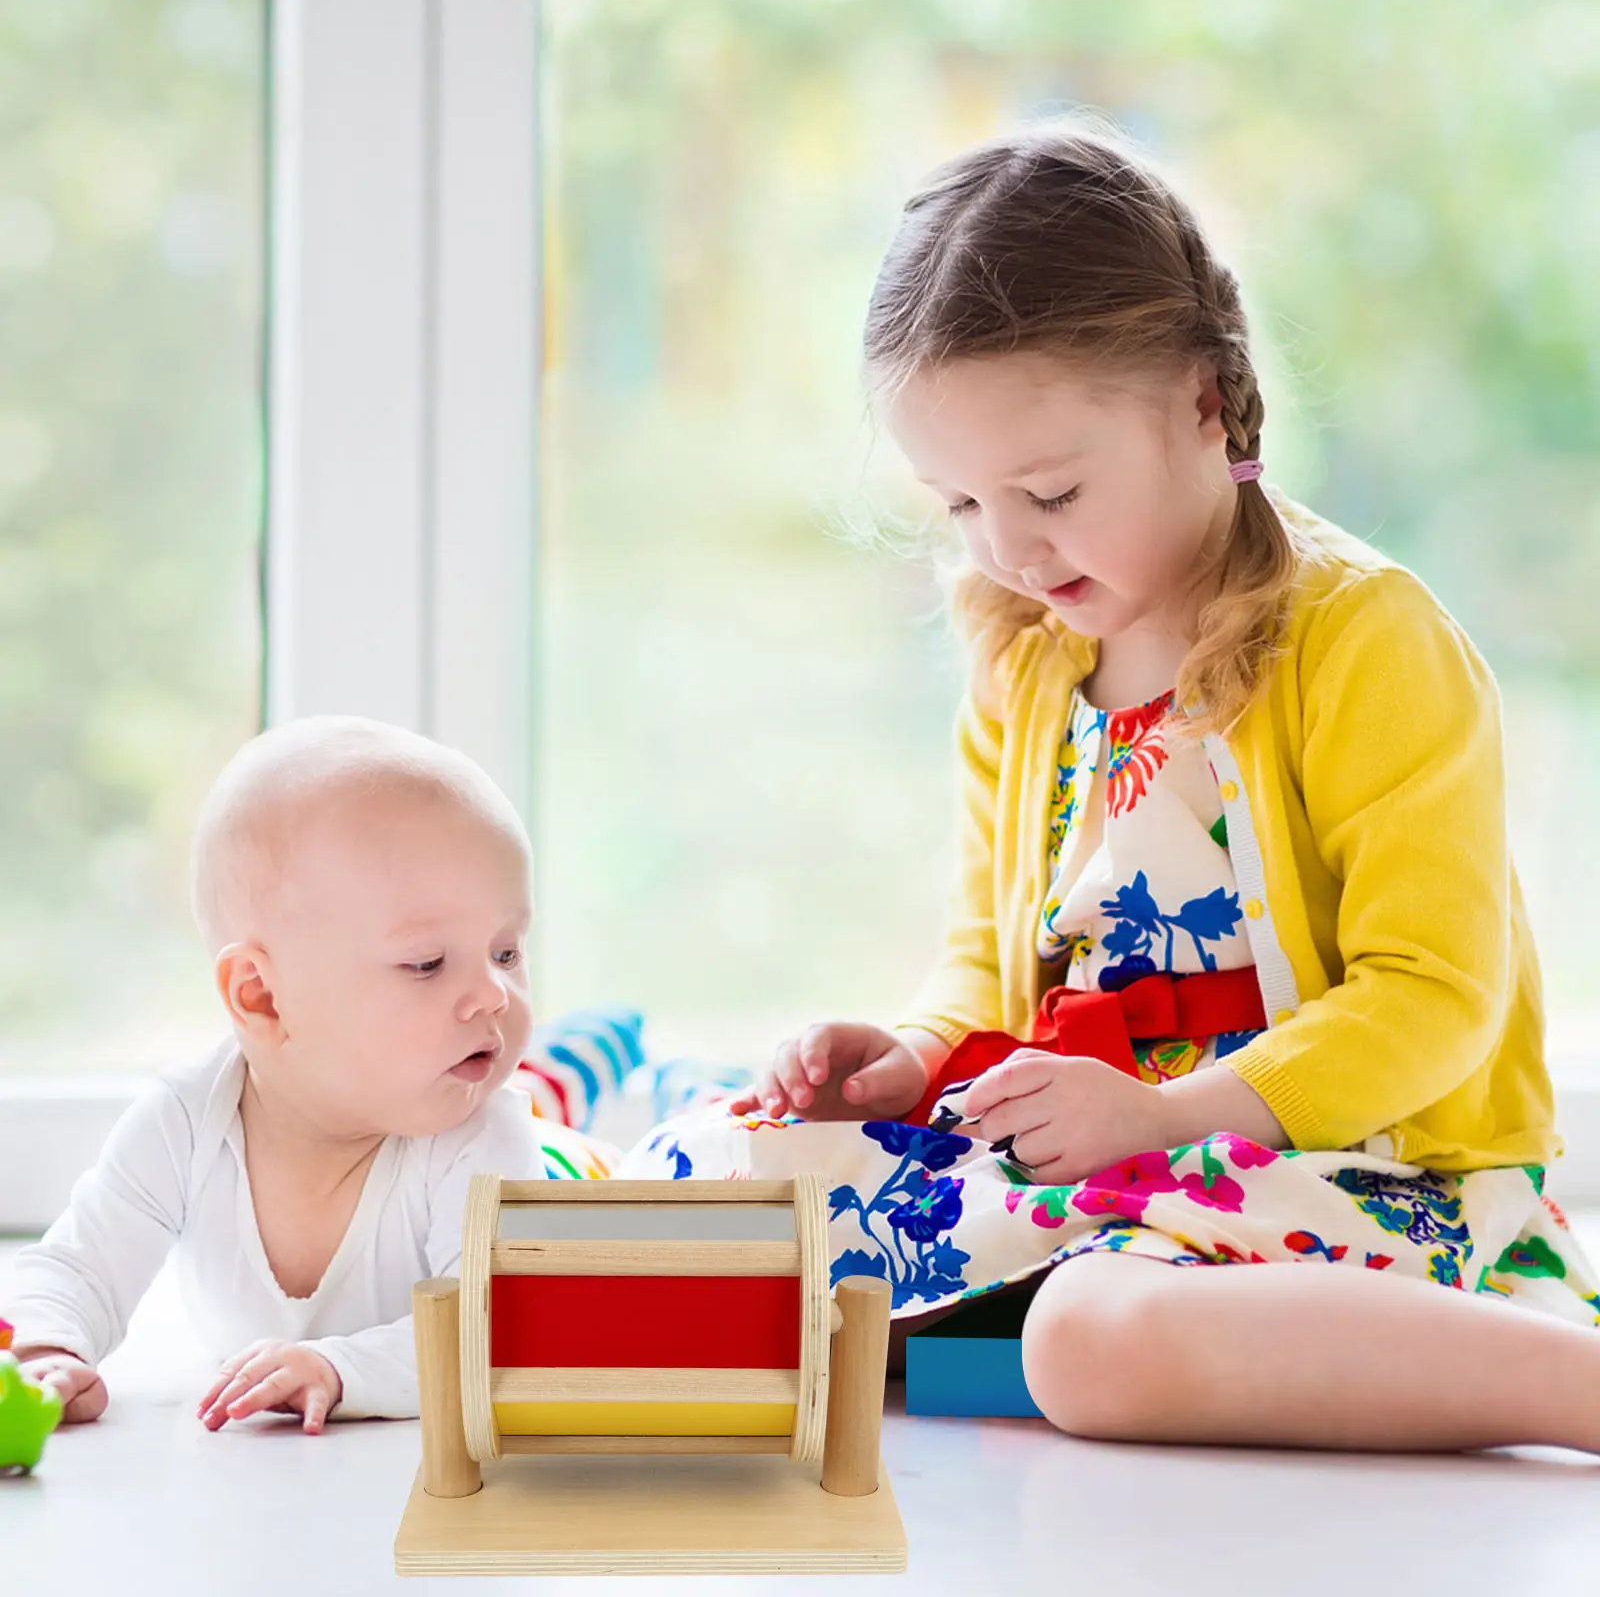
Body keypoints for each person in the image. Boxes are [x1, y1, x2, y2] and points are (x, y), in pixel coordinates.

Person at [626, 122, 1600, 1453]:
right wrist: (911, 1058)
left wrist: (1167, 1113)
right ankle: (1023, 1337)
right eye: (959, 505)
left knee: (1090, 1341)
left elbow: (1434, 1000)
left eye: (1050, 491)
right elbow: (993, 964)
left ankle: (1565, 1380)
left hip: (1368, 1172)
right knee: (700, 1189)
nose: (1008, 549)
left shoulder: (1365, 637)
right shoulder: (1027, 657)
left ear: (1204, 401)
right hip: (1116, 1170)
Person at [5, 716, 545, 1432]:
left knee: (594, 1188)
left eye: (505, 952)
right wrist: (46, 1348)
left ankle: (574, 1084)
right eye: (425, 963)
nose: (492, 995)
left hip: (554, 1178)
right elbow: (76, 1264)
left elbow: (501, 1328)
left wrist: (338, 1369)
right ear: (261, 997)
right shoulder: (186, 1122)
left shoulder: (480, 1132)